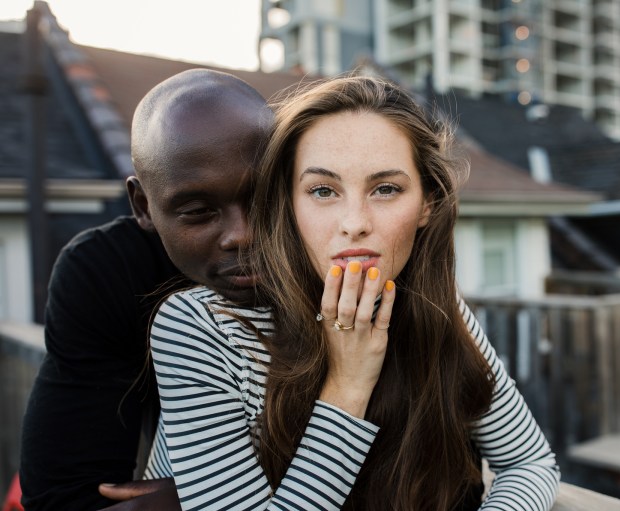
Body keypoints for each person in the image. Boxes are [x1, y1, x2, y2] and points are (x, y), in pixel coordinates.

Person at [144, 75, 560, 510]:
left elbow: (529, 462)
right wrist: (348, 384)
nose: (354, 222)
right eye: (323, 191)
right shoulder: (203, 329)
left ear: (427, 204)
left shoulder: (437, 308)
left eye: (386, 189)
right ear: (288, 204)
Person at [19, 68, 274, 511]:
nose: (242, 234)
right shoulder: (109, 272)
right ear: (144, 206)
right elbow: (67, 498)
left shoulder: (342, 253)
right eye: (198, 210)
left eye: (265, 198)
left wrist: (208, 492)